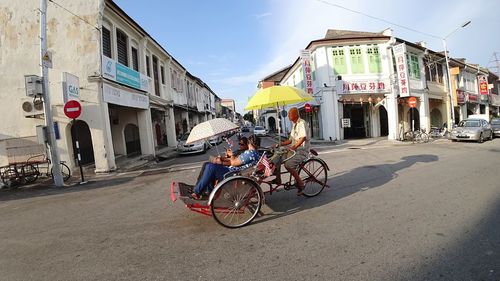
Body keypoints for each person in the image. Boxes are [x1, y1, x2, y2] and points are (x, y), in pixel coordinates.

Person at [191, 135, 261, 199]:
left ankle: (197, 191)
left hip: (233, 174)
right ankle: (207, 191)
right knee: (209, 165)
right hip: (236, 172)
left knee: (210, 167)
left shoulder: (249, 153)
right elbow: (235, 161)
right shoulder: (255, 153)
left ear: (248, 143)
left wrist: (231, 154)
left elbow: (233, 163)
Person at [272, 107, 310, 196]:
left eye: (290, 114)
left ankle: (301, 183)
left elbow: (303, 138)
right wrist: (279, 144)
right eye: (288, 114)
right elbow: (290, 140)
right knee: (277, 157)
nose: (288, 115)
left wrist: (293, 147)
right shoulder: (294, 125)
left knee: (288, 165)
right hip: (294, 150)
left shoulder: (302, 123)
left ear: (295, 115)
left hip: (301, 151)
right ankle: (278, 179)